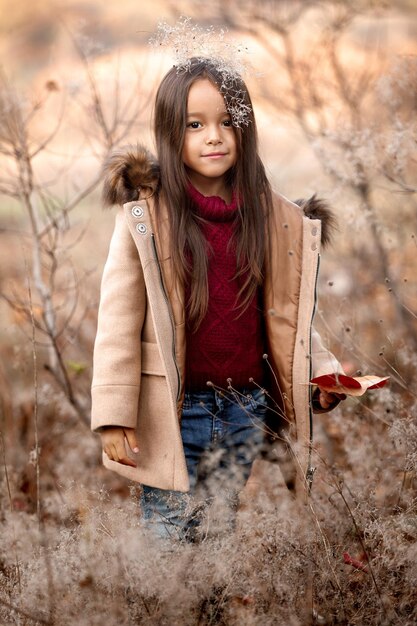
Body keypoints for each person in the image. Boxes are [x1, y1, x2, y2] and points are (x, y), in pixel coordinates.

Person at [90, 57, 345, 542]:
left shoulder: (272, 218)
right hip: (171, 407)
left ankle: (209, 613)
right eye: (195, 124)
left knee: (215, 535)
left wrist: (322, 369)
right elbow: (118, 323)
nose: (215, 136)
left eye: (229, 121)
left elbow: (287, 314)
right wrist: (113, 414)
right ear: (171, 133)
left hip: (243, 408)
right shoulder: (148, 219)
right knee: (167, 537)